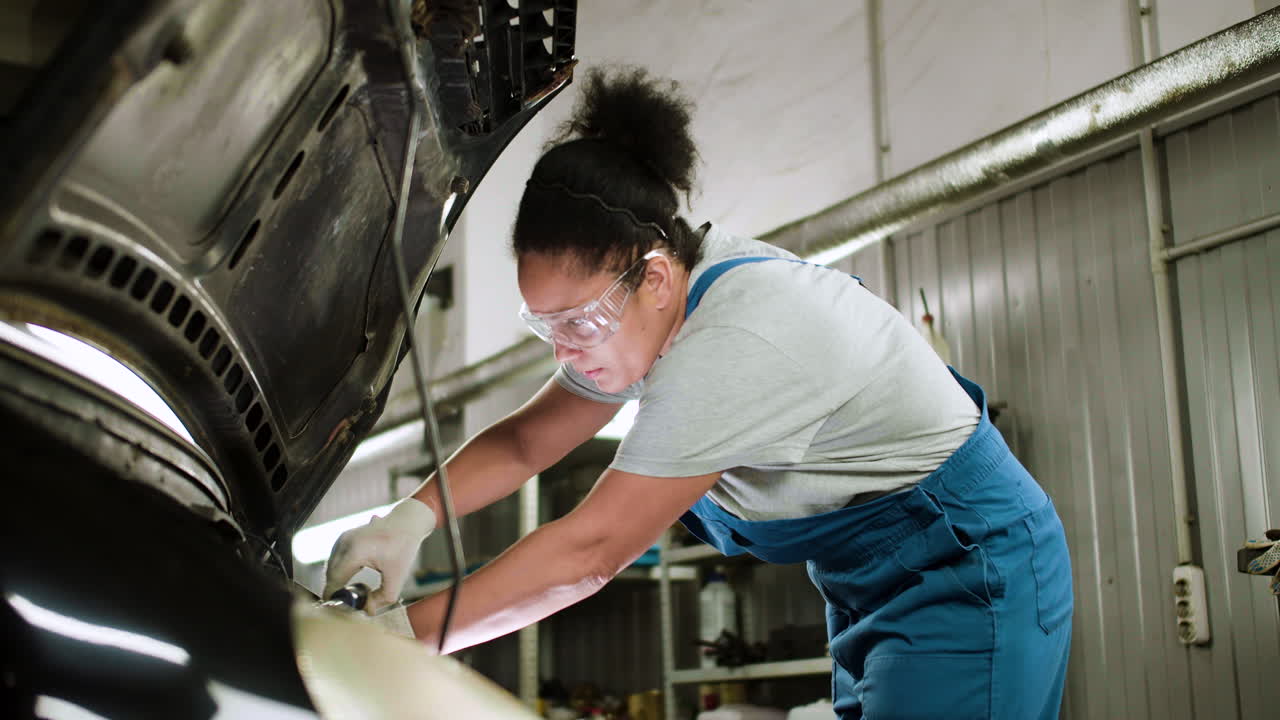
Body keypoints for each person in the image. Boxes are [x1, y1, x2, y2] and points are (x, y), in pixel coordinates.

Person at [324, 67, 1073, 719]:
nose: (567, 350)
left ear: (653, 274)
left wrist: (399, 639)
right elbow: (526, 441)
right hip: (870, 581)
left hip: (967, 568)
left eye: (580, 321)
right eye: (544, 325)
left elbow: (590, 552)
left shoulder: (736, 341)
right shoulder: (642, 317)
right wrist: (409, 518)